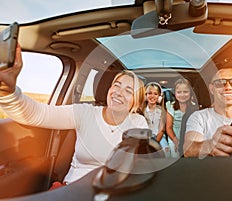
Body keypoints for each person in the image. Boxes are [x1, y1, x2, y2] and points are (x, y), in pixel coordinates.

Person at [0, 46, 149, 187]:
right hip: (72, 188)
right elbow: (38, 114)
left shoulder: (138, 123)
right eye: (116, 85)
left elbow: (139, 167)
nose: (119, 92)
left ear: (136, 102)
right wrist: (8, 92)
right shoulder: (85, 113)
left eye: (129, 90)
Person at [165, 78, 197, 158]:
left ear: (190, 93)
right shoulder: (171, 106)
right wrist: (177, 142)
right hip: (174, 137)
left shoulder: (194, 107)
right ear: (174, 93)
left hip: (189, 137)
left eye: (185, 92)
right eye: (179, 92)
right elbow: (168, 128)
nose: (182, 95)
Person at [142, 82, 169, 156]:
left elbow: (162, 130)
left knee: (166, 151)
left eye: (155, 94)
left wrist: (156, 142)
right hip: (146, 138)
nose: (152, 96)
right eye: (149, 93)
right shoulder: (142, 111)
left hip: (159, 137)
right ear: (145, 96)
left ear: (159, 97)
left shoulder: (162, 111)